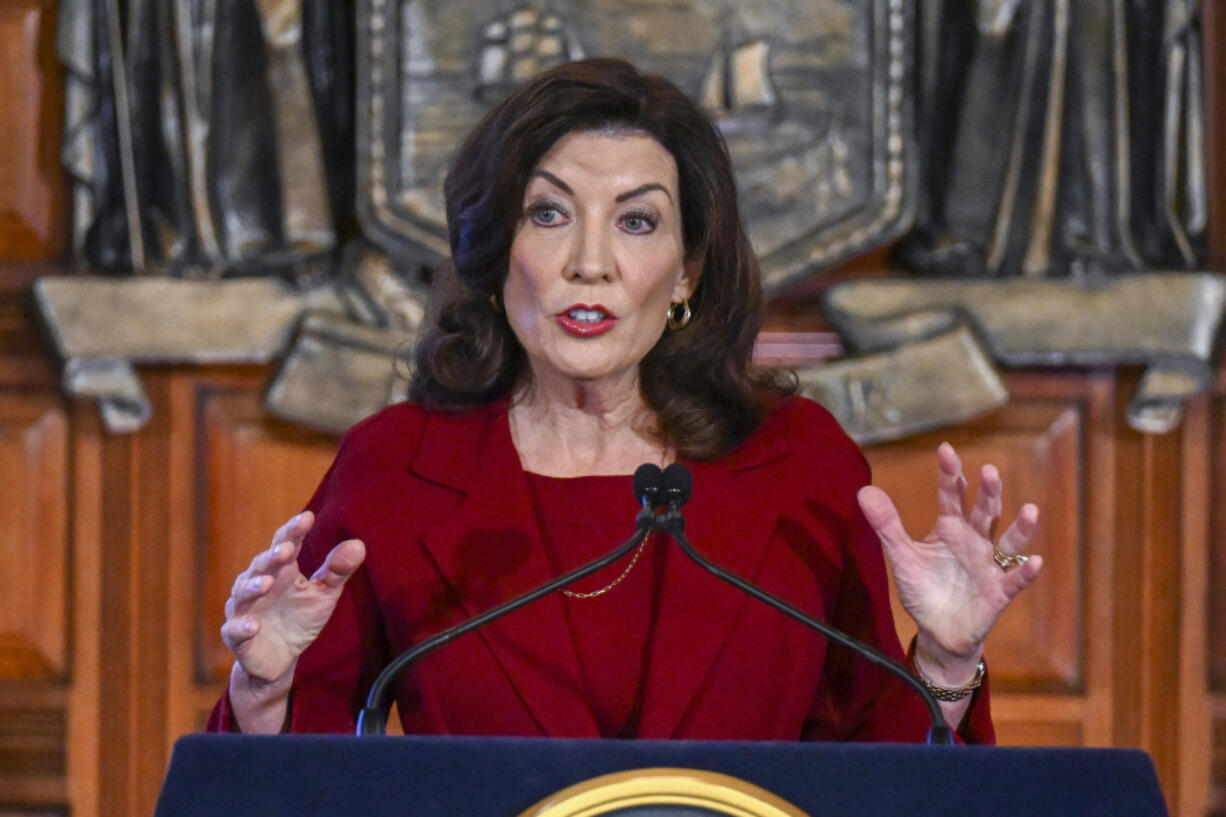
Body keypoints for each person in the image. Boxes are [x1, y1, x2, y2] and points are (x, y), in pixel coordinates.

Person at [209, 57, 1042, 740]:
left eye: (636, 222)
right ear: (498, 256)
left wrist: (942, 660)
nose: (590, 262)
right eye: (548, 214)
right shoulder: (397, 468)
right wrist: (261, 688)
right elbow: (296, 782)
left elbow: (879, 775)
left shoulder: (799, 467)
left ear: (686, 272)